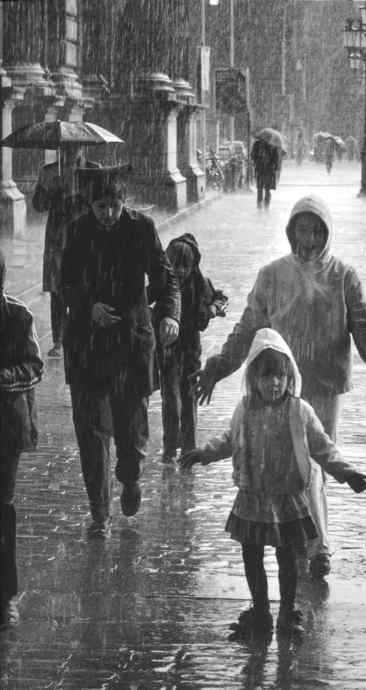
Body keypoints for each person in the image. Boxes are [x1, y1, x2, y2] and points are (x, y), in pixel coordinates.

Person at [192, 195, 366, 579]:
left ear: (327, 234)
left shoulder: (344, 277)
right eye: (303, 229)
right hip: (279, 388)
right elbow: (248, 328)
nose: (310, 238)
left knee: (316, 461)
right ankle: (298, 537)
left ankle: (318, 546)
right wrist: (217, 367)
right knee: (290, 467)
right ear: (291, 231)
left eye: (318, 231)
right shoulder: (271, 276)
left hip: (325, 387)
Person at [180, 328, 366, 638]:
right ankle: (259, 610)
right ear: (254, 378)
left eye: (280, 376)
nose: (274, 383)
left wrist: (347, 472)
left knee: (287, 559)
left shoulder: (299, 411)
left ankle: (287, 611)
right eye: (267, 377)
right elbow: (231, 439)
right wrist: (204, 454)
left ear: (289, 376)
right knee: (251, 556)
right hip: (252, 497)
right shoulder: (245, 409)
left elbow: (322, 446)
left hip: (288, 499)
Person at [61, 166, 181, 537]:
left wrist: (169, 316)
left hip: (131, 344)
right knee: (92, 432)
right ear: (90, 205)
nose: (108, 214)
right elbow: (64, 284)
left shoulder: (141, 229)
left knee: (131, 433)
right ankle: (99, 513)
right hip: (88, 347)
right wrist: (88, 307)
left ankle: (129, 478)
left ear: (123, 201)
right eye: (100, 207)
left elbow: (167, 280)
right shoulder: (78, 232)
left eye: (113, 205)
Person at [0, 249, 43, 628]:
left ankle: (5, 597)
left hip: (5, 428)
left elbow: (34, 365)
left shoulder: (18, 316)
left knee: (2, 508)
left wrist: (3, 378)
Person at [159, 233, 228, 462]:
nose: (179, 271)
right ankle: (170, 445)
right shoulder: (162, 284)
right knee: (170, 397)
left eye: (185, 266)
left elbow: (220, 298)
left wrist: (213, 309)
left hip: (190, 349)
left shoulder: (200, 285)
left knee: (188, 396)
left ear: (193, 266)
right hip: (167, 349)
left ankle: (188, 445)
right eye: (174, 265)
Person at [32, 145, 99, 358]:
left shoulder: (93, 170)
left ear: (82, 148)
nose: (71, 152)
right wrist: (54, 192)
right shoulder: (49, 171)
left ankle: (86, 336)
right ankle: (58, 341)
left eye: (75, 148)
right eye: (66, 148)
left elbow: (101, 199)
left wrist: (79, 196)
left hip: (85, 239)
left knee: (85, 287)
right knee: (57, 290)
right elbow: (38, 205)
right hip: (57, 240)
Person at [250, 138, 280, 209]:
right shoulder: (272, 145)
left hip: (263, 169)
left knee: (261, 189)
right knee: (265, 189)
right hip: (267, 170)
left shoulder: (258, 144)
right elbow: (276, 159)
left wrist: (256, 161)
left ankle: (261, 204)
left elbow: (252, 156)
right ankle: (265, 205)